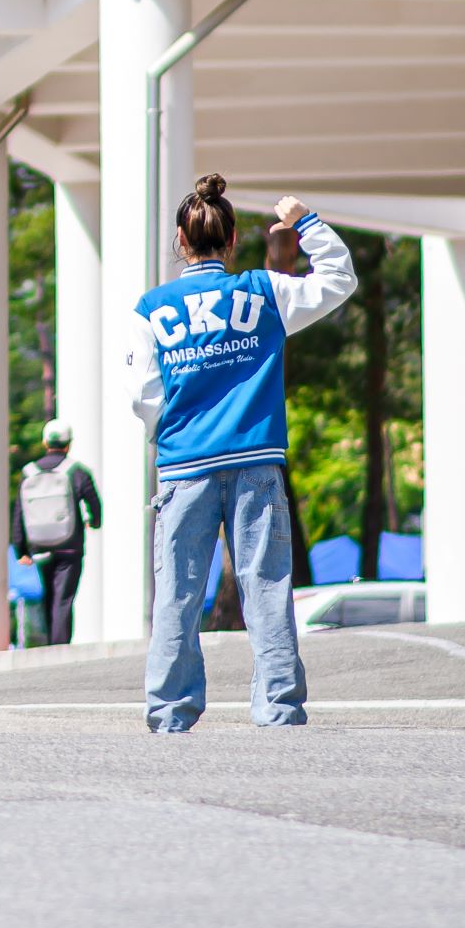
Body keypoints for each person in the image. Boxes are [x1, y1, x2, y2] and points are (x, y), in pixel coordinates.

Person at [125, 174, 355, 731]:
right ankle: (278, 707)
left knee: (177, 593)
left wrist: (176, 426)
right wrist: (304, 221)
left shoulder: (151, 309)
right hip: (256, 459)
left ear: (181, 243)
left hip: (185, 463)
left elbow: (143, 396)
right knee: (266, 587)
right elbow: (338, 278)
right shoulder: (264, 291)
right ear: (231, 242)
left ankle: (171, 712)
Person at [14, 422, 101, 648]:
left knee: (48, 594)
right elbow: (94, 502)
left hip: (40, 545)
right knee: (63, 598)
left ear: (45, 443)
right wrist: (95, 521)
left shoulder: (28, 472)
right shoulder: (76, 471)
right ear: (68, 444)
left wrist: (21, 549)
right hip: (69, 545)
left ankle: (49, 641)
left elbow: (19, 513)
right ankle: (59, 645)